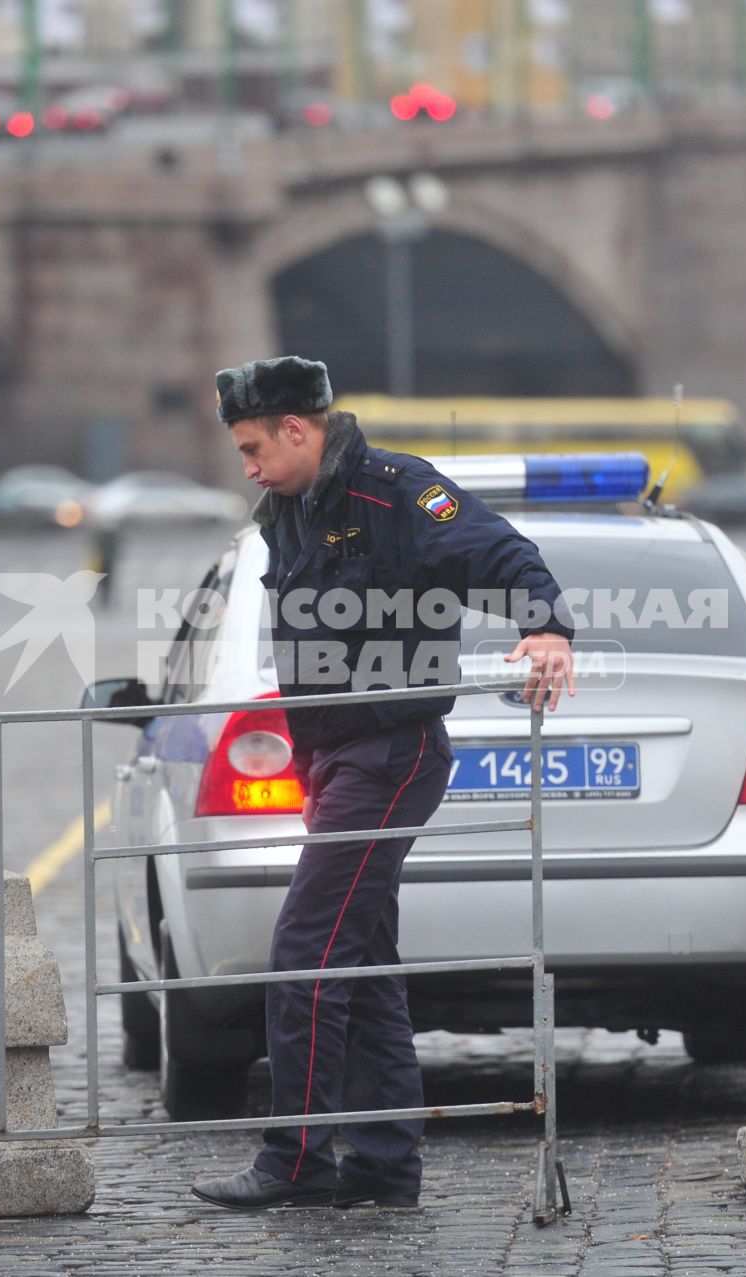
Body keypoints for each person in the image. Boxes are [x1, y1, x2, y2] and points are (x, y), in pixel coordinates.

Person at [189, 355, 576, 1212]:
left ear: (299, 429)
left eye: (254, 447)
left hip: (390, 754)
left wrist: (546, 627)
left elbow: (501, 551)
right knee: (359, 959)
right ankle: (384, 1164)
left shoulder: (396, 489)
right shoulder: (289, 510)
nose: (247, 467)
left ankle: (295, 1159)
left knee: (305, 952)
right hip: (333, 762)